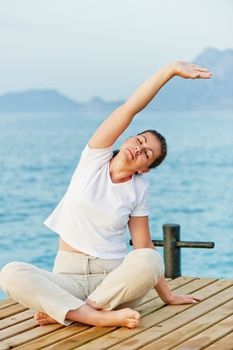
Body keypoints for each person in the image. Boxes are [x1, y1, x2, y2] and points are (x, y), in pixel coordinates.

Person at [0, 61, 212, 329]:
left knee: (149, 259)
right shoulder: (94, 158)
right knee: (11, 273)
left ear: (145, 168)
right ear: (128, 139)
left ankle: (75, 311)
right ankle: (92, 315)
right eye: (139, 140)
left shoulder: (139, 188)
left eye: (147, 153)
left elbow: (143, 245)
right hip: (68, 276)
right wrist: (168, 71)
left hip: (113, 283)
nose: (139, 148)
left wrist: (167, 296)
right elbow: (130, 108)